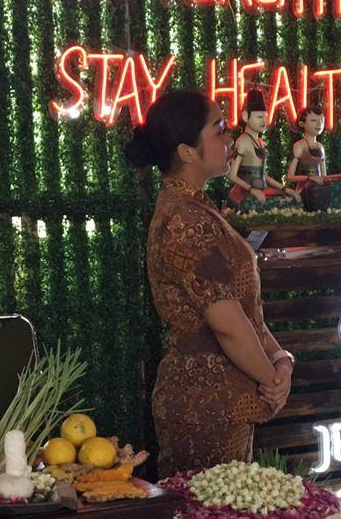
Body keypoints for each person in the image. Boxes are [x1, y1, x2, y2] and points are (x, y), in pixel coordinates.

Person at [125, 89, 296, 475]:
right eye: (218, 130)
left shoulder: (198, 207)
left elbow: (243, 309)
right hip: (204, 406)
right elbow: (227, 324)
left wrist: (280, 359)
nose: (230, 140)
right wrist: (272, 381)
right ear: (187, 152)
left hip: (226, 398)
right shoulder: (185, 219)